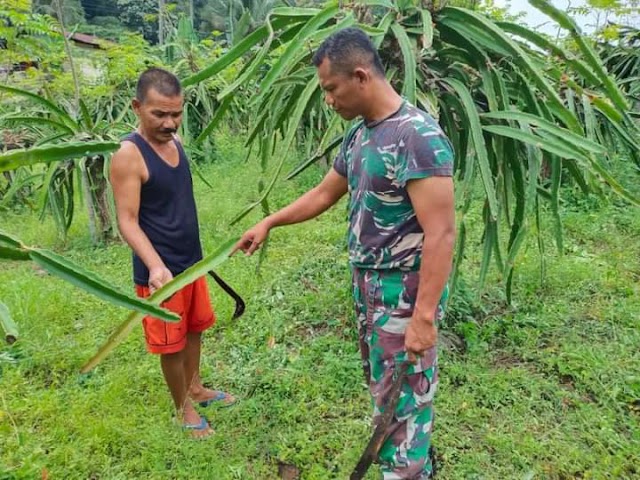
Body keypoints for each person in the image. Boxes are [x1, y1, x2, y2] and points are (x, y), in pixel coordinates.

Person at [233, 28, 455, 478]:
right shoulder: (360, 136)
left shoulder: (416, 137)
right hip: (369, 290)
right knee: (388, 390)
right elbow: (322, 194)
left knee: (405, 402)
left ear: (360, 76)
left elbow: (443, 234)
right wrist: (269, 220)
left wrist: (424, 317)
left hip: (403, 294)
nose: (328, 100)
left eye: (331, 89)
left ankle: (408, 471)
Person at [110, 67, 235, 438]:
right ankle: (183, 408)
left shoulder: (175, 144)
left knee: (195, 329)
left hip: (192, 264)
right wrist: (154, 265)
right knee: (171, 343)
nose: (169, 123)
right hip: (160, 273)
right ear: (137, 107)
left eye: (176, 114)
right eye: (159, 114)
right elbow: (127, 221)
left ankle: (195, 386)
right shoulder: (128, 155)